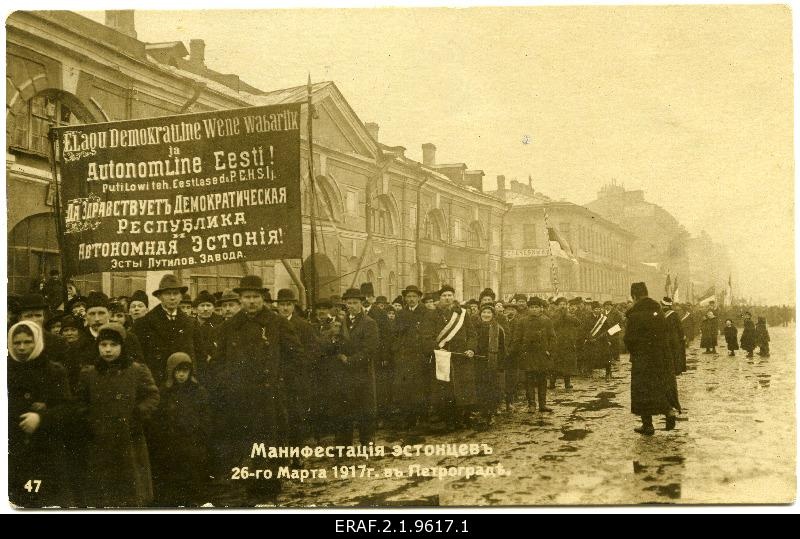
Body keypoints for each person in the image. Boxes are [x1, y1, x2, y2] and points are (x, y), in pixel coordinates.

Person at [207, 275, 300, 504]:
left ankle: (268, 488)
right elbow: (218, 361)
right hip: (239, 396)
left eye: (255, 297)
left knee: (269, 442)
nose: (251, 302)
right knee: (244, 442)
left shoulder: (276, 323)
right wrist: (227, 382)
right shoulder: (229, 326)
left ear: (263, 298)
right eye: (247, 297)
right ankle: (248, 486)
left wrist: (279, 378)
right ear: (240, 299)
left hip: (269, 396)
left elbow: (296, 355)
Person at [75, 323, 160, 507]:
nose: (107, 350)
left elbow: (152, 395)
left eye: (113, 345)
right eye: (103, 345)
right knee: (102, 491)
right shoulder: (89, 373)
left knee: (131, 489)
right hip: (100, 440)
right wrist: (90, 421)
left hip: (129, 439)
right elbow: (81, 403)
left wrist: (137, 414)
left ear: (122, 346)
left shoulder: (137, 370)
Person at [7, 321, 73, 508]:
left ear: (37, 342)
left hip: (45, 450)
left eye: (28, 342)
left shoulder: (54, 370)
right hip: (13, 448)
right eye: (16, 342)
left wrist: (41, 418)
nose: (21, 347)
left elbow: (67, 409)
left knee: (40, 500)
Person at [149, 352, 211, 507]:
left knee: (192, 474)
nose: (182, 374)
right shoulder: (164, 392)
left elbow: (206, 417)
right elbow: (158, 419)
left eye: (185, 370)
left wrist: (200, 435)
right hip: (170, 443)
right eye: (178, 371)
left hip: (192, 441)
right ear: (171, 371)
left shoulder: (199, 391)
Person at [132, 274, 210, 385]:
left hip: (185, 384)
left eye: (176, 293)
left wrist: (197, 382)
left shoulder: (191, 323)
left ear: (181, 296)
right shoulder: (144, 323)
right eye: (168, 294)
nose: (172, 298)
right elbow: (138, 359)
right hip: (156, 383)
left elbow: (200, 356)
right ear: (159, 296)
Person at [624, 283, 680, 435]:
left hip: (642, 359)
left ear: (634, 296)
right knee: (659, 386)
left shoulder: (634, 315)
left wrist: (635, 352)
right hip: (660, 358)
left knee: (642, 391)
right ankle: (668, 411)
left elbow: (629, 339)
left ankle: (647, 425)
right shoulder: (659, 311)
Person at [329, 287, 380, 444]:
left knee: (364, 409)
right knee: (344, 409)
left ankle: (367, 443)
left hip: (362, 372)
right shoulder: (341, 323)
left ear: (361, 304)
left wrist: (349, 360)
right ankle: (343, 444)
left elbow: (370, 349)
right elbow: (336, 343)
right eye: (349, 303)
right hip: (344, 374)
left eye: (355, 303)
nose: (351, 305)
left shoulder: (369, 323)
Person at [275, 288, 320, 452]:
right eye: (282, 305)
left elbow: (314, 350)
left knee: (295, 415)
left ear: (293, 306)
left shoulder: (303, 325)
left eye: (288, 304)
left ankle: (296, 452)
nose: (285, 308)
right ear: (277, 306)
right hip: (275, 377)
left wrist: (301, 366)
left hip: (296, 378)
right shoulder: (272, 324)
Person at [427, 284, 477, 429]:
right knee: (445, 389)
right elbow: (428, 335)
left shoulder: (462, 313)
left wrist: (471, 349)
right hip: (442, 357)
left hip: (460, 357)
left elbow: (472, 334)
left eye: (449, 295)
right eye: (444, 296)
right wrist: (436, 348)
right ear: (440, 298)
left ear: (454, 297)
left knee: (461, 389)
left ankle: (461, 419)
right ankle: (448, 420)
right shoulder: (433, 314)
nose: (447, 298)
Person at [392, 285, 434, 429]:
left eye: (413, 297)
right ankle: (409, 419)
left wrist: (426, 352)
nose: (410, 299)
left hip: (421, 356)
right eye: (408, 297)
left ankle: (422, 419)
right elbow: (396, 335)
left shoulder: (427, 313)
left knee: (421, 388)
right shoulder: (401, 314)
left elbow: (429, 335)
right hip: (405, 357)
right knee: (406, 388)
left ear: (419, 298)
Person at [511, 296, 555, 413]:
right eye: (532, 307)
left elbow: (552, 338)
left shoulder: (546, 320)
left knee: (542, 380)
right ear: (528, 308)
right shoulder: (522, 321)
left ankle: (542, 404)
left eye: (536, 307)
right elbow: (517, 339)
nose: (534, 309)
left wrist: (549, 351)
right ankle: (531, 404)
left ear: (541, 308)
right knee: (529, 380)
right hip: (528, 355)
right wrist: (521, 351)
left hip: (542, 355)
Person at [474, 304, 506, 425]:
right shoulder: (475, 327)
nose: (486, 315)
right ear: (480, 314)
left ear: (493, 315)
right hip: (477, 361)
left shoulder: (498, 329)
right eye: (484, 313)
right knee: (479, 387)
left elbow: (502, 349)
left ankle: (490, 412)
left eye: (489, 313)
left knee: (491, 387)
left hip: (492, 361)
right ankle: (481, 412)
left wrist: (500, 364)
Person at [550, 297, 581, 390]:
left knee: (567, 364)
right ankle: (552, 383)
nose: (562, 306)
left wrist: (568, 317)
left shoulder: (570, 315)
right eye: (560, 304)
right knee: (555, 364)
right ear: (557, 306)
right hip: (557, 343)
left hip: (568, 343)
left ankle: (567, 383)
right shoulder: (553, 315)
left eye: (564, 304)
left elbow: (578, 323)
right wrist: (561, 317)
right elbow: (552, 325)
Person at [585, 301, 613, 380]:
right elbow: (585, 330)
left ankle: (608, 373)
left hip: (602, 340)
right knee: (589, 356)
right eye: (596, 309)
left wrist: (604, 335)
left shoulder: (603, 318)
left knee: (606, 356)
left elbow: (608, 329)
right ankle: (589, 371)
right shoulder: (587, 318)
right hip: (591, 340)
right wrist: (589, 338)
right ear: (592, 310)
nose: (597, 310)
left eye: (599, 309)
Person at [662, 297, 687, 375]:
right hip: (674, 337)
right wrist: (682, 336)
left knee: (666, 354)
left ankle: (667, 370)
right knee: (675, 353)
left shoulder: (660, 314)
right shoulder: (674, 314)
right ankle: (676, 370)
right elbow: (679, 327)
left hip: (664, 337)